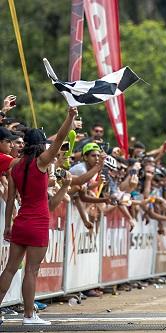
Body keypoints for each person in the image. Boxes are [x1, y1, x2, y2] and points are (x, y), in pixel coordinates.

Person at [0, 106, 77, 325]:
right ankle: (28, 316)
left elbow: (10, 199)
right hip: (38, 222)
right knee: (31, 271)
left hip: (20, 221)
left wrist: (7, 225)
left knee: (10, 269)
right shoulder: (41, 163)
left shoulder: (15, 166)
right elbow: (60, 137)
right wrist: (69, 117)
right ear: (41, 144)